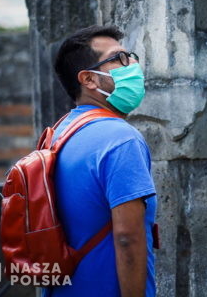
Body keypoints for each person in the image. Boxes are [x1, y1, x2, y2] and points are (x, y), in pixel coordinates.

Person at [42, 25, 157, 296]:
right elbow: (128, 238)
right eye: (119, 58)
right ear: (88, 79)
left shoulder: (58, 133)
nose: (132, 65)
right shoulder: (120, 138)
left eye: (130, 56)